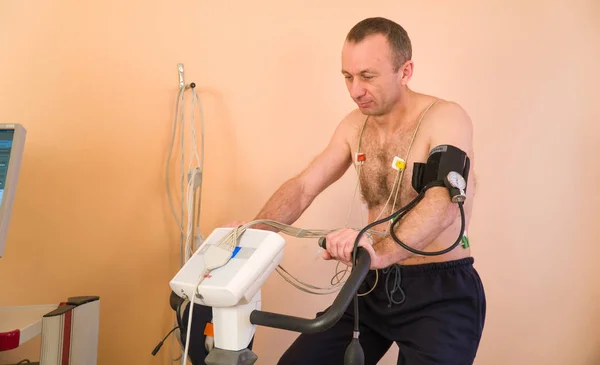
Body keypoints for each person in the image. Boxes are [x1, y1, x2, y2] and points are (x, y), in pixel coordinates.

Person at [182, 16, 486, 365]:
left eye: (368, 77)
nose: (355, 90)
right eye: (348, 77)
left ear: (405, 71)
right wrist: (252, 234)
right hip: (371, 284)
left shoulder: (445, 118)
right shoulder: (353, 126)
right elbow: (303, 187)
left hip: (440, 292)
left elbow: (444, 204)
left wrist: (380, 253)